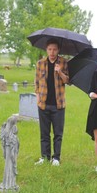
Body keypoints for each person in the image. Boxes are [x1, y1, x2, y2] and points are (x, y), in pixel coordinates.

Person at [34, 38, 69, 166]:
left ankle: (56, 158)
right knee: (44, 133)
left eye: (54, 49)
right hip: (43, 103)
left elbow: (67, 81)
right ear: (46, 50)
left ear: (58, 50)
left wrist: (59, 72)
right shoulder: (40, 63)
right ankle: (44, 157)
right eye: (50, 49)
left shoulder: (64, 62)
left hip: (58, 104)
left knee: (58, 133)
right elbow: (37, 82)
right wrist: (38, 98)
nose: (52, 52)